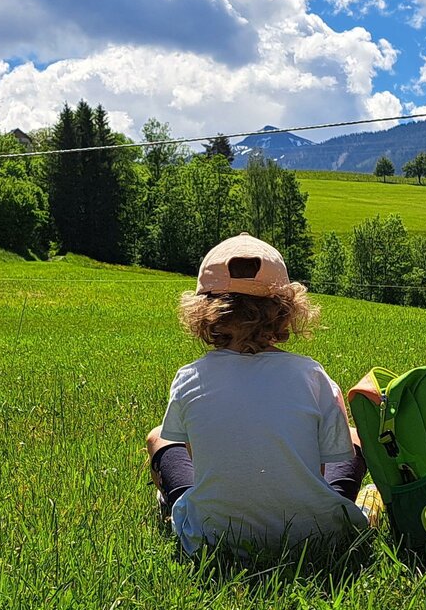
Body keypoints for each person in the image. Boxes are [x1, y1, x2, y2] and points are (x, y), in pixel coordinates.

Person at [144, 233, 371, 560]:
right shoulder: (313, 376)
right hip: (314, 535)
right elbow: (323, 467)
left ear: (204, 312)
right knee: (351, 437)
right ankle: (364, 508)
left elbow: (200, 464)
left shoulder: (189, 377)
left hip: (214, 537)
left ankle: (175, 510)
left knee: (158, 438)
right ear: (285, 311)